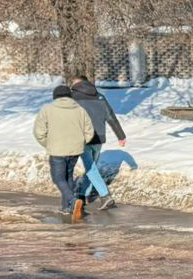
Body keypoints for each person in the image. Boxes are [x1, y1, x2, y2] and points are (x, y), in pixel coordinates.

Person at [33, 84, 96, 222]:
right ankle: (66, 207)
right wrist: (81, 143)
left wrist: (48, 144)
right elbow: (89, 131)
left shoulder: (47, 109)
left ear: (55, 97)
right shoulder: (80, 110)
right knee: (68, 177)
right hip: (75, 151)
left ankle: (73, 202)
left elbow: (39, 132)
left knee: (58, 179)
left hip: (57, 151)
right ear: (70, 96)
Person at [69, 74, 126, 209]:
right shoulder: (100, 96)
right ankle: (82, 196)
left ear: (75, 84)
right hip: (99, 138)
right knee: (92, 168)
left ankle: (105, 196)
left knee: (91, 169)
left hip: (84, 138)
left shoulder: (73, 98)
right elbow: (111, 117)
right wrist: (121, 136)